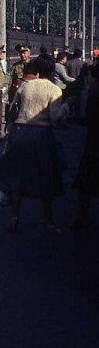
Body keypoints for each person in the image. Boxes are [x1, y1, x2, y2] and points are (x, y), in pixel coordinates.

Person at [0, 55, 66, 234]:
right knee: (46, 175)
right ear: (52, 70)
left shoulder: (25, 86)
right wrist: (66, 110)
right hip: (41, 134)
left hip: (20, 133)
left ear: (37, 69)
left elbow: (13, 109)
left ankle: (14, 217)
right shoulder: (54, 90)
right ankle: (48, 219)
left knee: (17, 175)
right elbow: (55, 117)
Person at [70, 62, 99, 233]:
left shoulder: (94, 94)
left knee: (85, 184)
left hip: (94, 145)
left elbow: (88, 116)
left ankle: (83, 219)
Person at [6, 45, 32, 135]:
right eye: (21, 53)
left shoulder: (33, 64)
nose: (23, 55)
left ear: (29, 54)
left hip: (30, 92)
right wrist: (9, 94)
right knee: (15, 113)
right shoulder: (15, 66)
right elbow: (10, 81)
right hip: (17, 92)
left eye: (25, 53)